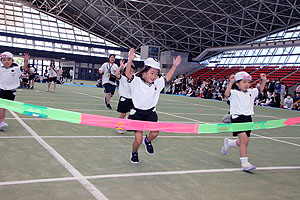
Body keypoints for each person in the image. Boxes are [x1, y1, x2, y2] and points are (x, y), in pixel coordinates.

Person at [125, 48, 182, 164]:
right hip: (137, 114)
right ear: (144, 71)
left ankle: (148, 140)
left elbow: (167, 78)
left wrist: (174, 66)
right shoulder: (136, 81)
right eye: (152, 73)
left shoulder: (157, 83)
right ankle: (134, 153)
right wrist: (130, 60)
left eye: (156, 74)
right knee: (138, 140)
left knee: (155, 133)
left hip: (150, 113)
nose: (154, 76)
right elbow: (127, 73)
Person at [221, 71, 267, 171]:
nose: (247, 84)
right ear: (237, 83)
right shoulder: (234, 93)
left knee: (243, 142)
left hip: (248, 119)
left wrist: (263, 80)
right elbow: (226, 94)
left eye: (248, 82)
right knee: (244, 140)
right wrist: (230, 83)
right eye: (244, 82)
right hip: (237, 118)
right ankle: (245, 163)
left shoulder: (251, 92)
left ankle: (229, 143)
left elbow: (260, 90)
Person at [0, 51, 30, 131]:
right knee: (2, 107)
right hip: (1, 90)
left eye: (8, 59)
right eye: (4, 60)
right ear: (1, 61)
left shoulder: (16, 69)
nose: (6, 61)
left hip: (11, 92)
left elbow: (24, 67)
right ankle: (2, 122)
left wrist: (26, 61)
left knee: (5, 107)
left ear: (12, 61)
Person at [115, 60, 135, 134]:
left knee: (134, 112)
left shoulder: (134, 78)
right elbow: (116, 74)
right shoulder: (122, 78)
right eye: (129, 68)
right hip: (124, 99)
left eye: (132, 68)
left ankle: (127, 120)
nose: (131, 69)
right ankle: (118, 127)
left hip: (132, 99)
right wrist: (121, 66)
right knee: (123, 114)